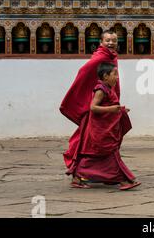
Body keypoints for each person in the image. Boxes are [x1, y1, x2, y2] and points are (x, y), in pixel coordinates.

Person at [60, 30, 140, 189]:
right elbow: (84, 73)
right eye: (107, 40)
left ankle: (82, 175)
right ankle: (122, 178)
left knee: (93, 148)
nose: (111, 43)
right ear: (101, 42)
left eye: (114, 40)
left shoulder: (111, 57)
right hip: (99, 112)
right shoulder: (101, 58)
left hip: (106, 111)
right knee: (101, 149)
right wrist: (102, 100)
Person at [70, 62, 140, 190]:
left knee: (98, 155)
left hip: (105, 128)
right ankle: (123, 180)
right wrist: (112, 109)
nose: (117, 78)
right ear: (105, 76)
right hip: (100, 129)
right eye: (115, 74)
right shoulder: (101, 90)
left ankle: (77, 177)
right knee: (110, 154)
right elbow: (93, 107)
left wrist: (120, 110)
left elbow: (109, 106)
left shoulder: (108, 89)